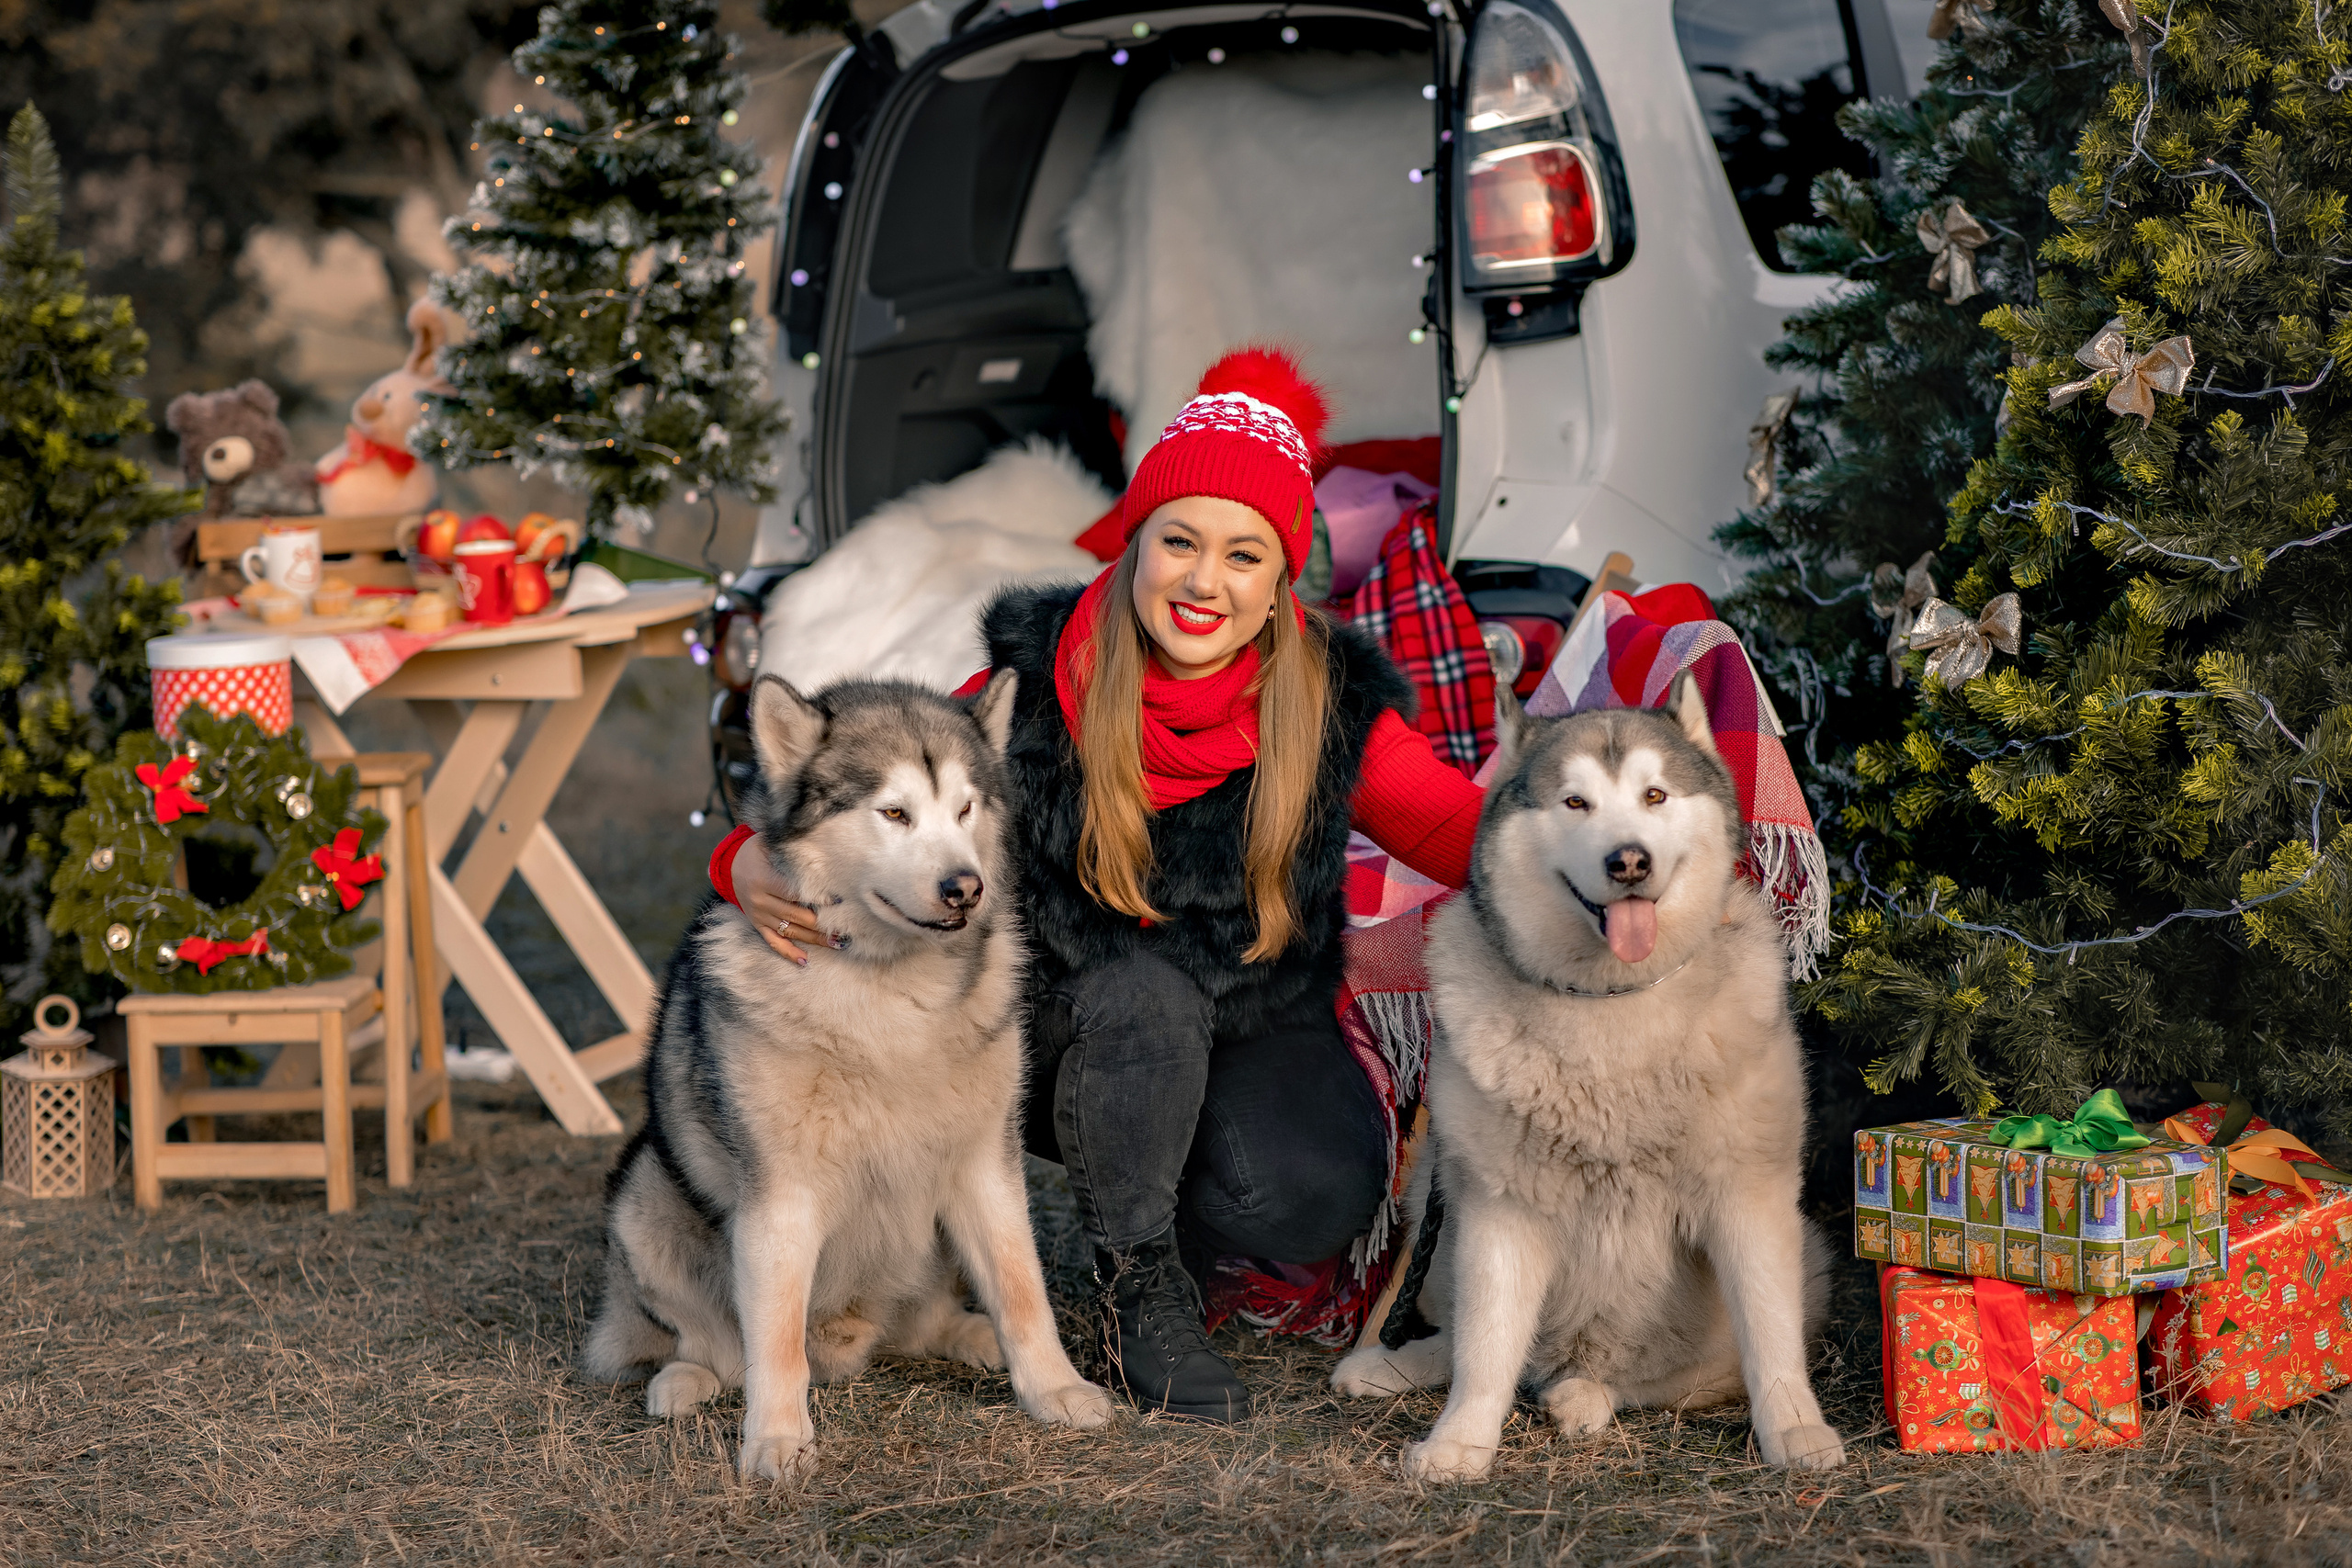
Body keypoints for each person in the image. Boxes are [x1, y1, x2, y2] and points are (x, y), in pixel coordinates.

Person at [707, 348, 1482, 1421]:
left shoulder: (1327, 703)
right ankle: (1135, 1284)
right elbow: (873, 787)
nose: (1204, 581)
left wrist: (1638, 866)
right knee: (1142, 996)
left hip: (1252, 1020)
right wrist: (737, 857)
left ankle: (1182, 1210)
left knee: (1307, 1197)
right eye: (1180, 542)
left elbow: (1466, 832)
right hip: (1069, 1026)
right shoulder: (1032, 683)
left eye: (1243, 556)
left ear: (1275, 586)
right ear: (1133, 548)